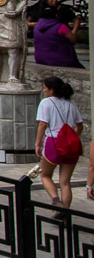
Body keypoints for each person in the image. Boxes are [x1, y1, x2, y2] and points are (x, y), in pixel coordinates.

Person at [36, 75, 82, 208]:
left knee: (45, 175)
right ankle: (65, 213)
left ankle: (56, 202)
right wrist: (73, 137)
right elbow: (79, 126)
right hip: (70, 145)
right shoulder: (71, 104)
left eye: (45, 88)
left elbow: (43, 125)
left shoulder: (46, 103)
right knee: (65, 182)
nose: (43, 91)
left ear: (51, 90)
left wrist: (37, 143)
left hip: (54, 142)